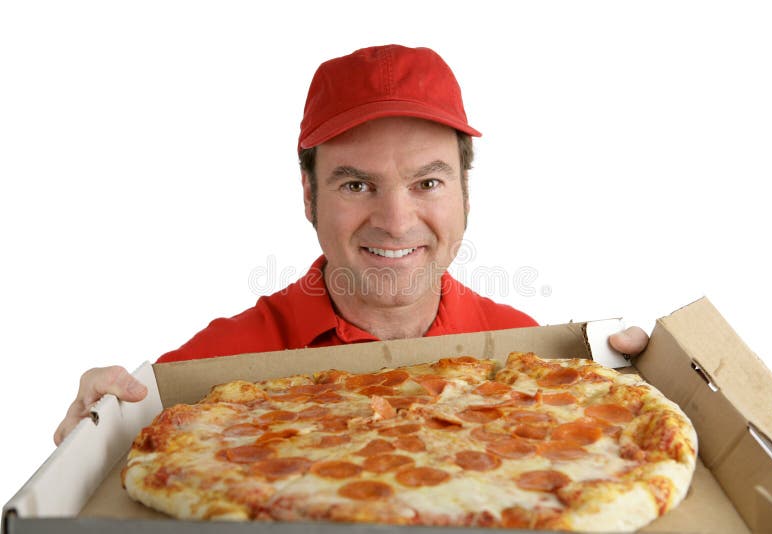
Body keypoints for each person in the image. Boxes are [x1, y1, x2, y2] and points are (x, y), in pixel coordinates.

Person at [54, 45, 648, 445]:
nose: (394, 220)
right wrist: (92, 444)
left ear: (465, 193)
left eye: (428, 182)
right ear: (309, 197)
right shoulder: (206, 373)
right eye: (357, 184)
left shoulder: (535, 359)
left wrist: (638, 389)